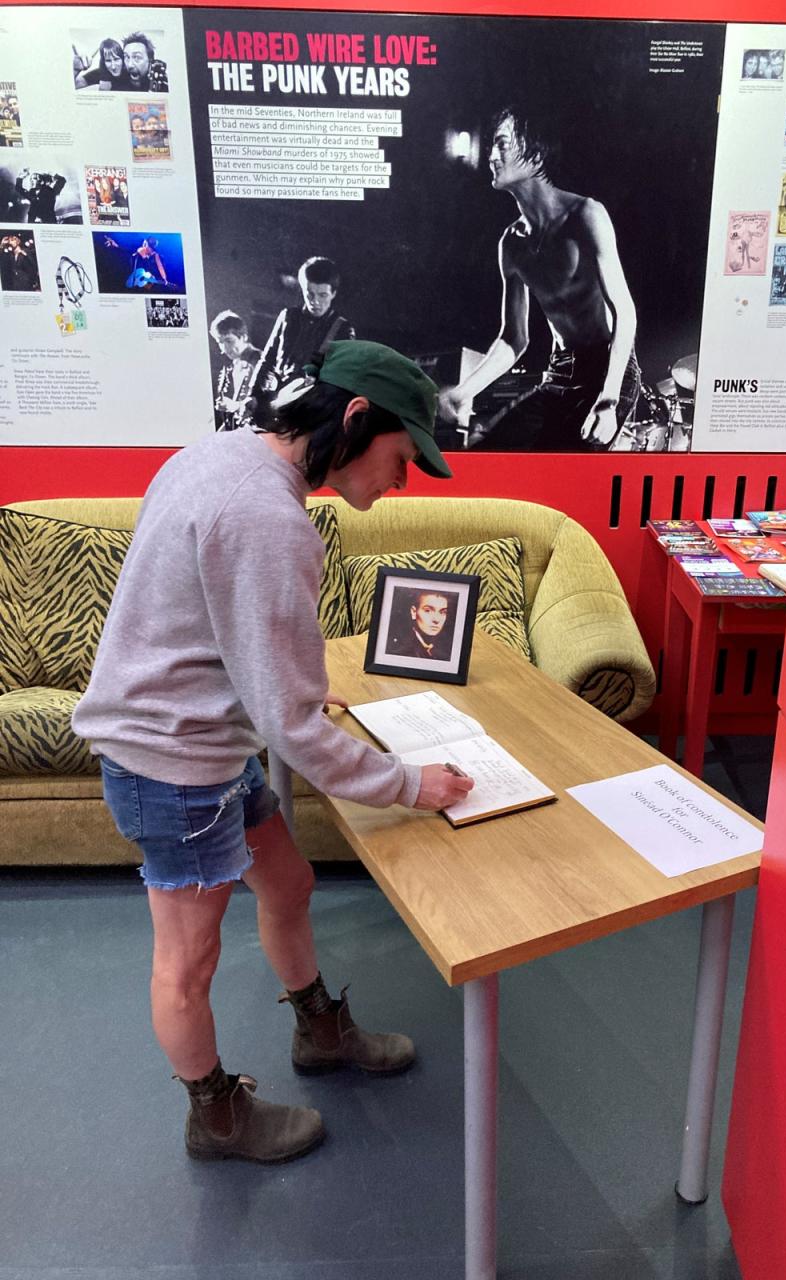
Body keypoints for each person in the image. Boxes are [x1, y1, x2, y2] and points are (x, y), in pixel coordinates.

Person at [71, 340, 474, 1165]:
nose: (400, 484)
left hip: (202, 740)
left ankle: (321, 1033)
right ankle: (214, 1116)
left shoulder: (221, 452)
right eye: (402, 460)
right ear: (357, 419)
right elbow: (291, 730)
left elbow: (203, 606)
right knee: (189, 960)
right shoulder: (268, 517)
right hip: (170, 761)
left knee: (287, 882)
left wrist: (282, 682)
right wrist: (410, 785)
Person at [437, 107, 639, 453]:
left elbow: (626, 314)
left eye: (501, 144)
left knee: (570, 478)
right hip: (557, 373)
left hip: (607, 371)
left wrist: (608, 399)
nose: (491, 156)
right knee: (488, 456)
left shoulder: (586, 215)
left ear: (535, 151)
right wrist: (463, 391)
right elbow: (514, 339)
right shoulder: (512, 244)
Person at [252, 256, 356, 404]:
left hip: (311, 409)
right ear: (303, 289)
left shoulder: (342, 329)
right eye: (310, 294)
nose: (315, 301)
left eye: (323, 295)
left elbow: (343, 380)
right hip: (275, 401)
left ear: (334, 294)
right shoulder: (288, 316)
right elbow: (267, 360)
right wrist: (253, 394)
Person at [209, 309, 262, 431]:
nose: (224, 348)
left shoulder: (259, 360)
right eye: (220, 342)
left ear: (243, 337)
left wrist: (233, 406)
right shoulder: (236, 363)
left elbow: (265, 405)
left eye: (229, 341)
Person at [386, 590, 453, 661]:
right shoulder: (401, 651)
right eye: (428, 610)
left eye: (443, 612)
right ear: (414, 612)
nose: (436, 619)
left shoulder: (444, 651)